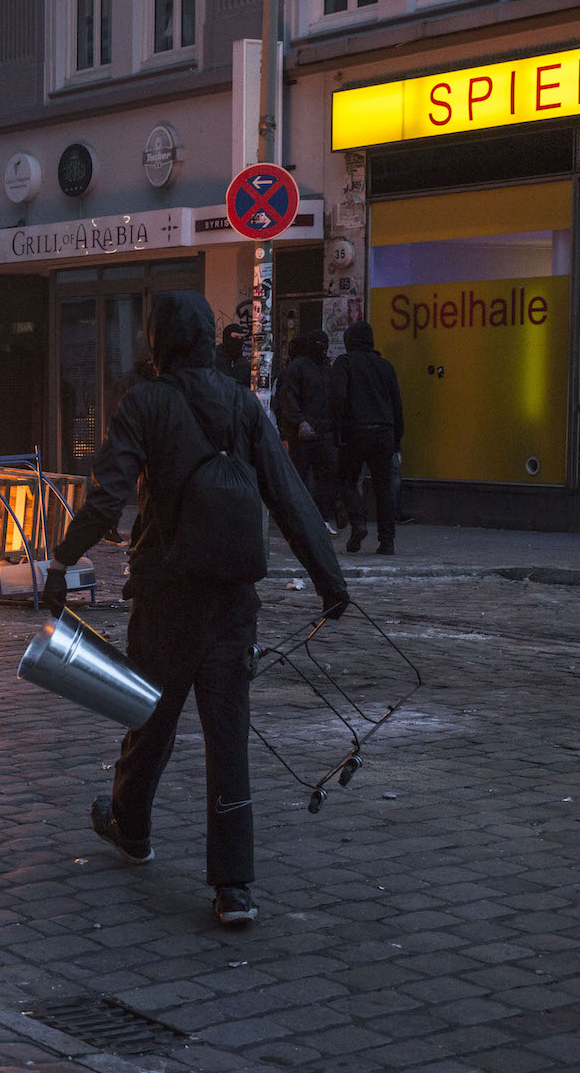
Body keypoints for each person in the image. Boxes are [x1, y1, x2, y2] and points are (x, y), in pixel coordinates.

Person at [40, 292, 348, 927]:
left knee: (149, 715)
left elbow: (106, 501)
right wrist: (330, 580)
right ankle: (234, 886)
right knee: (227, 736)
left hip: (166, 594)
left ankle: (130, 824)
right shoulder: (243, 404)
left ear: (157, 341)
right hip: (234, 599)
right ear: (209, 338)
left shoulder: (143, 403)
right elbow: (289, 496)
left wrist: (61, 561)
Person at [331, 319, 405, 555]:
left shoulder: (345, 363)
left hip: (355, 430)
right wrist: (396, 439)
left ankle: (358, 523)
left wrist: (338, 429)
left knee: (348, 480)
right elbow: (397, 405)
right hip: (384, 431)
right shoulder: (386, 366)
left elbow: (338, 397)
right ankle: (387, 540)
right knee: (383, 487)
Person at [275, 329, 340, 535]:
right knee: (301, 478)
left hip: (323, 431)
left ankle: (321, 517)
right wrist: (300, 422)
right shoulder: (299, 368)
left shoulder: (326, 369)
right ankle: (301, 519)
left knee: (327, 476)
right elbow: (288, 398)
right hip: (303, 434)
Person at [214, 324, 252, 388]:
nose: (239, 341)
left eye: (241, 338)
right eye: (235, 337)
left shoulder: (243, 364)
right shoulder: (214, 360)